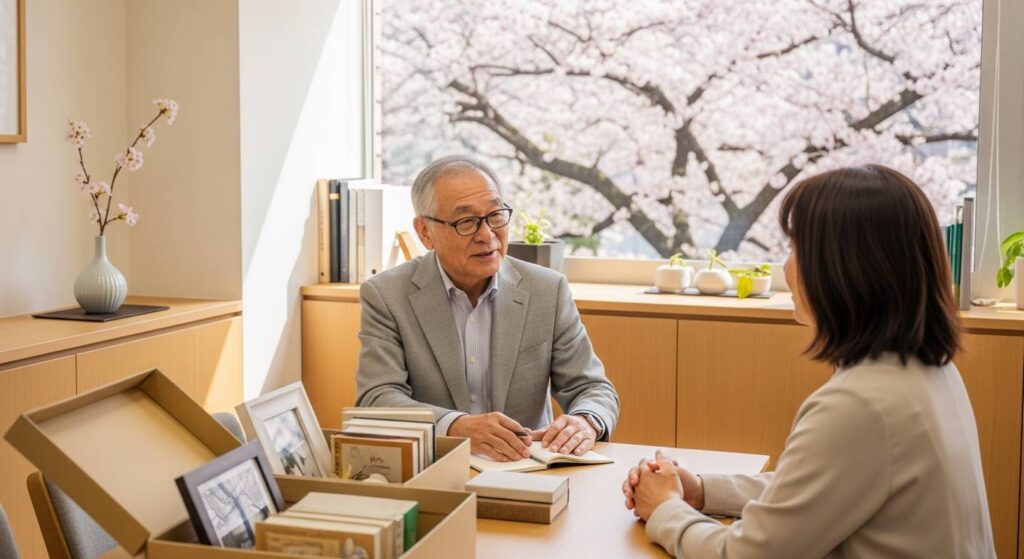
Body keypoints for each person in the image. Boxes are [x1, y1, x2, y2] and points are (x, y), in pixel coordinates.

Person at [622, 165, 995, 557]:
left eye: (797, 249)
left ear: (846, 268)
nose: (786, 267)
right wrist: (699, 489)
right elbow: (812, 492)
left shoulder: (860, 405)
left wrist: (666, 508)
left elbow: (746, 554)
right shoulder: (926, 371)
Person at [356, 155, 620, 462]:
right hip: (436, 466)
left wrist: (586, 421)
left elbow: (593, 388)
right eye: (466, 222)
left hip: (527, 467)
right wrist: (455, 426)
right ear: (425, 232)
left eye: (495, 215)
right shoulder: (387, 295)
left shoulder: (547, 290)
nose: (487, 235)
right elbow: (376, 399)